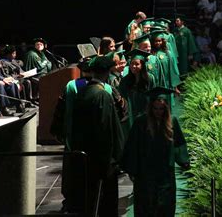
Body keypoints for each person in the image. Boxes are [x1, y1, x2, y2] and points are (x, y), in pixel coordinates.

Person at [121, 86, 190, 217]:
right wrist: (132, 169)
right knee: (146, 206)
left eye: (162, 109)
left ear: (166, 108)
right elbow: (132, 146)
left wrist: (183, 161)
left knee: (165, 207)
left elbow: (179, 143)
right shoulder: (141, 122)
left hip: (165, 174)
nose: (159, 112)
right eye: (156, 108)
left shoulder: (172, 122)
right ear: (150, 107)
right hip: (145, 174)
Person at [70, 56, 124, 216]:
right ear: (107, 73)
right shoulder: (102, 95)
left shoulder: (84, 91)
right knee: (106, 202)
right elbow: (105, 130)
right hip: (101, 158)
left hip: (86, 154)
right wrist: (110, 160)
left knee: (91, 199)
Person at [118, 49, 156, 131]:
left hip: (146, 114)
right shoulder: (125, 80)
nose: (133, 66)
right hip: (131, 116)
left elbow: (154, 97)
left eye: (137, 64)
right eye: (132, 63)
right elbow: (121, 99)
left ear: (142, 65)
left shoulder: (150, 78)